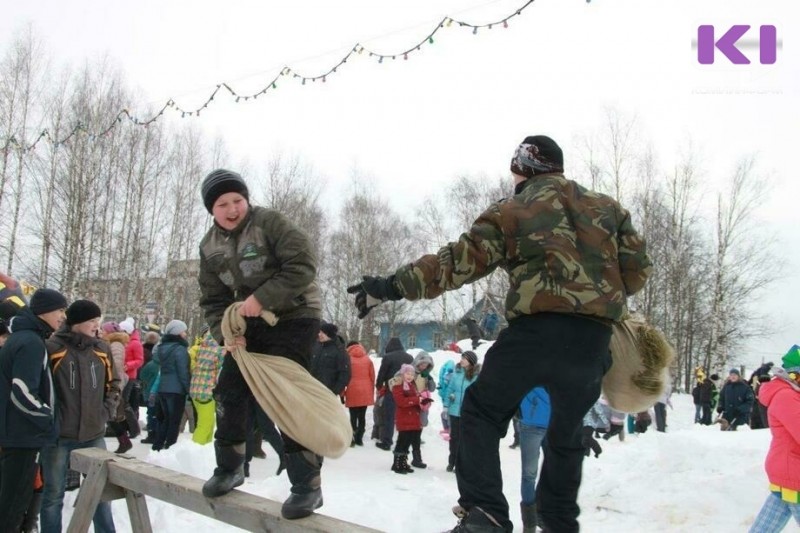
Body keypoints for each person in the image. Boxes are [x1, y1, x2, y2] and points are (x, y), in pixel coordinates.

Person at [347, 135, 652, 532]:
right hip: (590, 340)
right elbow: (637, 270)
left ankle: (486, 513)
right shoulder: (609, 209)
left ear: (520, 169)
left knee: (482, 411)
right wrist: (596, 294)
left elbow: (452, 265)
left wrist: (386, 287)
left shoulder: (513, 209)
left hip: (534, 333)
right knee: (567, 430)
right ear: (558, 167)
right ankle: (560, 522)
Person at [197, 169, 324, 520]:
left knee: (284, 395)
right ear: (212, 209)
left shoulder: (270, 223)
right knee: (229, 390)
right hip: (248, 324)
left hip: (295, 316)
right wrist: (225, 333)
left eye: (238, 200)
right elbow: (212, 299)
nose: (233, 208)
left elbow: (303, 265)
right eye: (223, 204)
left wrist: (262, 298)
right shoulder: (209, 247)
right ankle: (230, 467)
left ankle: (307, 485)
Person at [40, 299, 120, 533]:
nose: (97, 325)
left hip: (94, 433)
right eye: (92, 321)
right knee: (53, 494)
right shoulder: (52, 348)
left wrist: (106, 410)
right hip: (58, 436)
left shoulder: (101, 348)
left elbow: (115, 382)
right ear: (77, 323)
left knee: (99, 493)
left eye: (98, 320)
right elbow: (41, 387)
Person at [0, 288, 67, 531]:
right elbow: (22, 392)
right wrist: (47, 418)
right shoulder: (30, 342)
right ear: (45, 311)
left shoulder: (26, 337)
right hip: (22, 436)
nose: (62, 316)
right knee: (13, 507)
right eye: (60, 310)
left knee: (13, 503)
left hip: (17, 433)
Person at [749, 346, 800, 532]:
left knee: (764, 528)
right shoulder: (787, 396)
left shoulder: (790, 394)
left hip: (788, 469)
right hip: (793, 470)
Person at [151, 319, 190, 451]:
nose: (185, 334)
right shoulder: (180, 349)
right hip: (176, 389)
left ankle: (157, 445)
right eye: (184, 331)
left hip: (163, 388)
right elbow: (183, 371)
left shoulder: (161, 348)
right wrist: (188, 388)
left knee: (165, 419)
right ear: (178, 332)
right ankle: (170, 447)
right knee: (174, 421)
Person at [518, 387, 551, 533]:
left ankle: (543, 514)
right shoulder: (528, 365)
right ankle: (530, 522)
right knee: (529, 474)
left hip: (555, 425)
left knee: (552, 474)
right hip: (530, 425)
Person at [389, 364, 432, 474]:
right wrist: (417, 400)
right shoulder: (398, 385)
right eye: (408, 373)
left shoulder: (410, 385)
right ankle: (397, 464)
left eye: (412, 374)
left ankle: (403, 462)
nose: (410, 376)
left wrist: (423, 401)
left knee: (407, 441)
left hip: (412, 418)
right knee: (402, 441)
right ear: (402, 374)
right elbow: (401, 402)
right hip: (404, 418)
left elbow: (415, 399)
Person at [443, 350, 480, 473]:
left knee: (465, 439)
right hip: (455, 411)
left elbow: (478, 395)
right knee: (454, 438)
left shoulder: (476, 376)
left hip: (468, 412)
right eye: (462, 357)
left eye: (465, 358)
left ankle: (462, 464)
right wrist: (446, 405)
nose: (462, 360)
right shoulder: (456, 373)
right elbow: (450, 389)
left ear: (471, 361)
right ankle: (451, 461)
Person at [374, 337, 412, 451]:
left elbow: (382, 373)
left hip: (392, 390)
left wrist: (378, 386)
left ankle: (387, 442)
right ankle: (405, 442)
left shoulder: (387, 357)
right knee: (404, 416)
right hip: (406, 390)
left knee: (389, 417)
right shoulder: (409, 357)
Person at [190, 329, 225, 445]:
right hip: (207, 390)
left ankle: (204, 448)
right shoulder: (220, 350)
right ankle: (195, 449)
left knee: (208, 422)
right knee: (205, 424)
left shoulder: (203, 347)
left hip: (195, 388)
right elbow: (222, 368)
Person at [343, 340, 375, 447]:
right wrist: (370, 391)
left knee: (353, 416)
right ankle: (359, 439)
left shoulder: (347, 359)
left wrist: (342, 393)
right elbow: (372, 377)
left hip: (352, 390)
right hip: (365, 391)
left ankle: (351, 438)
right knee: (362, 416)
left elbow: (344, 377)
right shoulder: (367, 359)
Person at [309, 322, 351, 396]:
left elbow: (345, 373)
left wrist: (334, 391)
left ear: (329, 334)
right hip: (310, 389)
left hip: (327, 393)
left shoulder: (339, 351)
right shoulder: (315, 346)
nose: (319, 335)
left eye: (322, 333)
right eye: (319, 332)